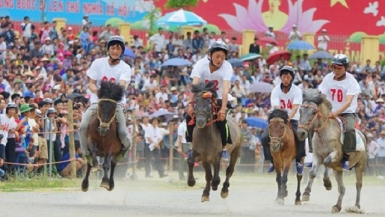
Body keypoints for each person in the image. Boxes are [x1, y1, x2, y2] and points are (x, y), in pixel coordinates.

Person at [79, 35, 132, 163]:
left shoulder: (125, 67)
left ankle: (125, 148)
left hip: (115, 103)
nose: (115, 51)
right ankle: (87, 154)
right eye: (113, 48)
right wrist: (99, 92)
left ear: (122, 51)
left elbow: (122, 84)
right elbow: (91, 83)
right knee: (83, 126)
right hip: (97, 102)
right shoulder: (97, 63)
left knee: (123, 132)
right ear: (108, 49)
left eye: (118, 49)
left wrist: (110, 94)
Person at [185, 40, 233, 161]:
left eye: (223, 57)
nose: (220, 60)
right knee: (188, 117)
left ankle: (223, 148)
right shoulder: (200, 65)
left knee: (222, 121)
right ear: (210, 55)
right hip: (202, 98)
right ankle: (192, 147)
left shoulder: (227, 67)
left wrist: (222, 109)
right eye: (217, 56)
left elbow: (225, 90)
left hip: (219, 98)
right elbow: (194, 86)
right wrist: (190, 105)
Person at [318, 54, 361, 170]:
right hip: (330, 111)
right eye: (334, 67)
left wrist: (336, 113)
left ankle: (347, 157)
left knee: (350, 128)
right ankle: (313, 154)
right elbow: (321, 94)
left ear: (345, 67)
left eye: (339, 68)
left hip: (347, 112)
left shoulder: (351, 81)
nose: (336, 70)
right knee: (313, 124)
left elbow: (347, 102)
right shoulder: (328, 78)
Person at [261, 65, 306, 174]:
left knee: (300, 136)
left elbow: (295, 107)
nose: (286, 79)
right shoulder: (276, 90)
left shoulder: (297, 91)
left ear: (292, 78)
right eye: (284, 77)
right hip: (277, 118)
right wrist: (282, 119)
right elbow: (276, 107)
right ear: (281, 78)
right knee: (264, 137)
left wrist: (288, 119)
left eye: (288, 77)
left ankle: (299, 160)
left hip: (293, 118)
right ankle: (271, 160)